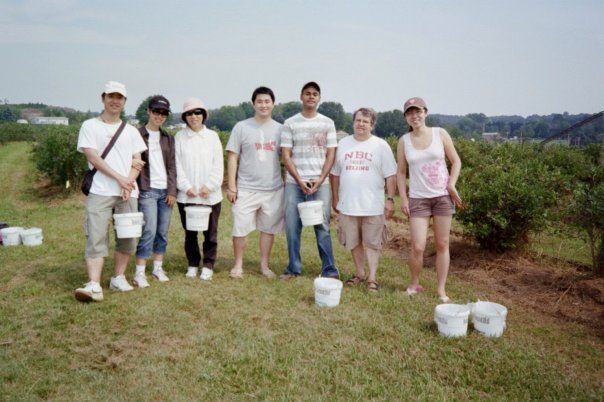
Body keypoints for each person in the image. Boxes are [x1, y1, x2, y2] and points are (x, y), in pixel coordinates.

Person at [74, 81, 147, 302]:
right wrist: (121, 179)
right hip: (100, 190)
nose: (115, 101)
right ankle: (94, 284)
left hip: (127, 192)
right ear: (103, 98)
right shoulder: (90, 126)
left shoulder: (131, 131)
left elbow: (138, 160)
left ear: (124, 102)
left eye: (119, 97)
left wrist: (129, 182)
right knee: (96, 235)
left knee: (128, 238)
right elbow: (92, 157)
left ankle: (118, 277)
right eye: (111, 96)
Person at [396, 97, 462, 303]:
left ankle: (441, 290)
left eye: (418, 112)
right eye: (410, 113)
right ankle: (414, 283)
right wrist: (404, 199)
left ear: (425, 112)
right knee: (418, 245)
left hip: (442, 196)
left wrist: (451, 184)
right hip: (418, 199)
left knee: (442, 243)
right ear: (406, 117)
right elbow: (400, 172)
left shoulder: (439, 133)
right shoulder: (403, 141)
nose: (414, 116)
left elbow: (456, 161)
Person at [330, 108, 397, 292]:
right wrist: (335, 197)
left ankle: (372, 278)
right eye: (358, 120)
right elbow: (335, 174)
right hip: (348, 204)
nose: (361, 124)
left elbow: (391, 175)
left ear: (372, 125)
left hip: (373, 205)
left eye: (365, 122)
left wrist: (390, 199)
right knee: (353, 241)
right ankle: (359, 273)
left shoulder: (380, 145)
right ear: (353, 122)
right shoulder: (343, 144)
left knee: (372, 243)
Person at [280, 81, 339, 280]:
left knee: (322, 226)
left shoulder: (327, 123)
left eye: (315, 94)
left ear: (319, 98)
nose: (311, 97)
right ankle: (293, 268)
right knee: (292, 226)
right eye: (307, 93)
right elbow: (286, 155)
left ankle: (329, 270)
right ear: (301, 96)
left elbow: (331, 154)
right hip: (294, 183)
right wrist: (298, 179)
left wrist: (321, 178)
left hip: (320, 183)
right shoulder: (290, 123)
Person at [226, 87, 284, 279]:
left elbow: (287, 158)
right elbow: (233, 157)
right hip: (246, 188)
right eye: (259, 101)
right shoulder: (241, 127)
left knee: (268, 229)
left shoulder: (280, 129)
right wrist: (232, 186)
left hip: (273, 188)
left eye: (267, 101)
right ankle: (238, 264)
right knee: (240, 228)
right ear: (253, 104)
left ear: (273, 104)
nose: (263, 105)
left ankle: (264, 265)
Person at [175, 98, 223, 281]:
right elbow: (176, 164)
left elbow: (218, 165)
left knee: (210, 232)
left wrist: (209, 186)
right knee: (190, 232)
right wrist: (186, 187)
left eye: (197, 112)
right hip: (187, 195)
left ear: (204, 115)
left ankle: (209, 264)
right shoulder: (179, 137)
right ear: (185, 117)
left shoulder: (212, 137)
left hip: (210, 195)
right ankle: (193, 263)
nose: (194, 117)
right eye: (189, 113)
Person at [132, 95, 176, 287]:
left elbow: (173, 166)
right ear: (148, 111)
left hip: (165, 191)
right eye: (156, 111)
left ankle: (158, 267)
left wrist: (172, 191)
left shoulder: (168, 138)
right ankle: (139, 272)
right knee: (148, 230)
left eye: (163, 113)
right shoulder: (136, 135)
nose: (159, 116)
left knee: (162, 231)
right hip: (147, 190)